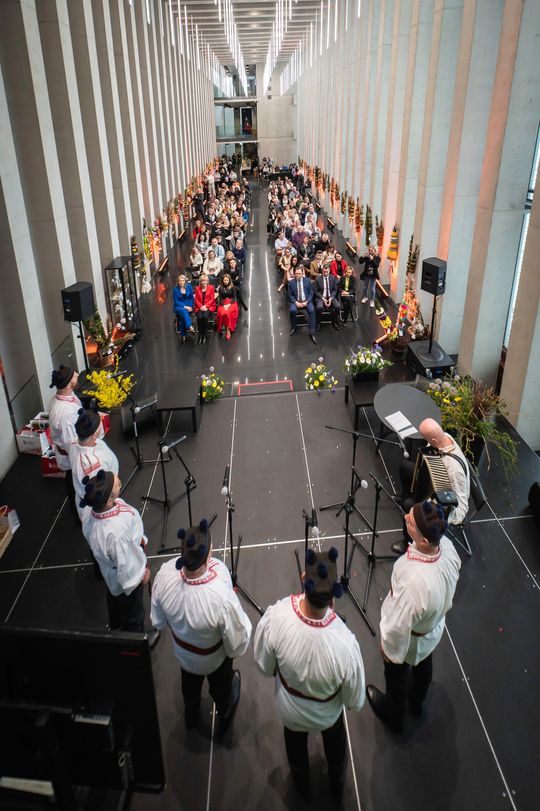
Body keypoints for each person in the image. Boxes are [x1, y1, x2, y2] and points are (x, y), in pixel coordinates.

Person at [254, 548, 365, 804]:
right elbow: (354, 699)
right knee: (336, 748)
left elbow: (264, 664)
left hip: (291, 712)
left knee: (295, 747)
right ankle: (337, 788)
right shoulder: (346, 643)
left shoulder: (277, 617)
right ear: (333, 598)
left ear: (304, 579)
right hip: (328, 716)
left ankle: (302, 787)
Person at [366, 500, 461, 733]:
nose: (407, 516)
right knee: (424, 665)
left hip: (411, 639)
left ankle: (394, 712)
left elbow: (398, 625)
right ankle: (417, 700)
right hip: (432, 630)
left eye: (411, 520)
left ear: (423, 540)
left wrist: (388, 650)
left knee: (396, 676)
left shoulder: (411, 579)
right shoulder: (448, 549)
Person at [150, 519, 252, 732]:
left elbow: (157, 621)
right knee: (221, 688)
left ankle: (191, 714)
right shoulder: (220, 591)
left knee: (190, 687)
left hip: (184, 657)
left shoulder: (164, 575)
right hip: (214, 661)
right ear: (208, 556)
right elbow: (237, 641)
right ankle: (225, 710)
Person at [81, 471, 152, 633]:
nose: (119, 480)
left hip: (111, 576)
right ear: (109, 500)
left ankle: (116, 627)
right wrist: (140, 575)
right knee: (133, 612)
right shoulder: (115, 534)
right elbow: (126, 566)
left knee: (114, 600)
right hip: (124, 578)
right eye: (116, 483)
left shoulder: (89, 513)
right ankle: (134, 640)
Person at [392, 417, 470, 555]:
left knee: (410, 506)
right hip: (428, 486)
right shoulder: (444, 437)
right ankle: (405, 494)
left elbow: (462, 509)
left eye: (426, 439)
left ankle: (407, 542)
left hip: (441, 504)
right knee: (405, 466)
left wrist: (440, 513)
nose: (425, 442)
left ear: (434, 441)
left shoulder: (455, 471)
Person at [69, 408, 119, 522]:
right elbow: (100, 491)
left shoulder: (76, 444)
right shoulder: (93, 464)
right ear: (95, 434)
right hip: (101, 506)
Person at [48, 365, 81, 515]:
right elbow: (71, 443)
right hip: (71, 455)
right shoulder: (66, 413)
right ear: (68, 384)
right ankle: (77, 513)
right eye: (75, 375)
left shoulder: (66, 396)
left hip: (68, 451)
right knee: (75, 484)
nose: (78, 375)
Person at [288, 267, 318, 344]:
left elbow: (311, 293)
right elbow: (290, 295)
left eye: (299, 274)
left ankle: (312, 332)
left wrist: (306, 301)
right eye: (296, 274)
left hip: (306, 301)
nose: (297, 275)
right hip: (296, 301)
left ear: (302, 274)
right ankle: (294, 327)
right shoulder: (291, 282)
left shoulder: (307, 281)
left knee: (312, 310)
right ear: (294, 274)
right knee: (292, 310)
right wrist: (296, 302)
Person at [194, 273, 216, 345]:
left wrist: (205, 306)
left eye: (205, 280)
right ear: (200, 281)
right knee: (199, 317)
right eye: (202, 281)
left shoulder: (211, 287)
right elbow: (196, 299)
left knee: (205, 317)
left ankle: (205, 334)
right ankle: (200, 334)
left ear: (207, 281)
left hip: (209, 306)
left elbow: (212, 299)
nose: (204, 282)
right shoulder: (197, 288)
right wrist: (201, 306)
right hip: (199, 306)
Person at [216, 273, 239, 341]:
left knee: (227, 313)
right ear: (223, 280)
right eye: (224, 280)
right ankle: (223, 328)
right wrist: (223, 305)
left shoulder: (233, 287)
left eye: (227, 280)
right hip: (223, 303)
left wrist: (228, 305)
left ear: (229, 280)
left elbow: (234, 298)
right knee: (222, 313)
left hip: (232, 303)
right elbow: (220, 299)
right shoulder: (220, 288)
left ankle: (228, 330)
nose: (226, 281)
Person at [173, 274, 195, 341]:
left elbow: (191, 298)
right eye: (180, 281)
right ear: (178, 282)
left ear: (185, 281)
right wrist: (185, 307)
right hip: (178, 307)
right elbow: (176, 301)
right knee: (184, 311)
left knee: (183, 317)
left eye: (183, 281)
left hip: (188, 306)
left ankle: (183, 336)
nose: (181, 282)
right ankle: (190, 326)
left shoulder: (189, 287)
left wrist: (190, 306)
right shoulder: (175, 290)